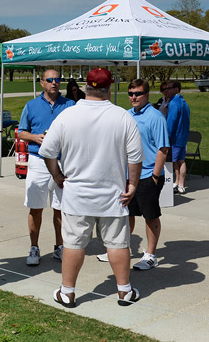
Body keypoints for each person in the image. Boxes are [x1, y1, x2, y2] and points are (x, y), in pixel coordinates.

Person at [39, 68, 144, 308]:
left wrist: (57, 175)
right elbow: (135, 158)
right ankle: (124, 291)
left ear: (86, 87)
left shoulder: (67, 115)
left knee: (74, 243)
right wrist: (133, 184)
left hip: (77, 195)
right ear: (109, 88)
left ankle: (67, 292)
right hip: (113, 195)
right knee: (118, 243)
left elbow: (47, 151)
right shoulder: (122, 116)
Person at [18, 69, 74, 266]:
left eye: (57, 79)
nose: (54, 83)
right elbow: (21, 132)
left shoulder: (70, 105)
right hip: (38, 161)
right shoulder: (31, 106)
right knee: (36, 207)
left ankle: (60, 247)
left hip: (62, 162)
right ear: (42, 83)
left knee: (60, 208)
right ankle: (34, 247)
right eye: (49, 80)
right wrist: (35, 137)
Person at [124, 78, 170, 271]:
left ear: (147, 95)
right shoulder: (126, 115)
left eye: (138, 93)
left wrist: (154, 177)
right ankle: (122, 248)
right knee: (127, 214)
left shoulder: (155, 117)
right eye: (131, 93)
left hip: (148, 175)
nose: (134, 97)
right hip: (128, 175)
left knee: (150, 216)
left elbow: (163, 149)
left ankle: (151, 255)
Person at [163, 80, 190, 194]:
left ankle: (180, 183)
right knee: (179, 160)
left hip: (175, 137)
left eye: (169, 88)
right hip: (183, 136)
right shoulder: (184, 102)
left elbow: (171, 122)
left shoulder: (174, 103)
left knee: (177, 161)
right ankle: (178, 182)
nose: (167, 91)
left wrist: (166, 136)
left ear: (176, 89)